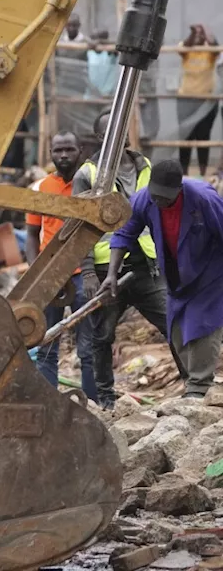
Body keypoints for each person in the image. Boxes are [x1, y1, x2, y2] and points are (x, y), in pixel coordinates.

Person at [102, 159, 223, 398]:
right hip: (176, 273)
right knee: (177, 328)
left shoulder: (203, 198)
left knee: (202, 326)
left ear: (179, 189)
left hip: (210, 272)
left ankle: (199, 387)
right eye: (156, 196)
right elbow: (124, 234)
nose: (160, 202)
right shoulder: (143, 199)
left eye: (166, 198)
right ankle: (192, 382)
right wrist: (111, 274)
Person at [72, 111, 168, 409]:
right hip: (104, 269)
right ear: (101, 138)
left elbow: (159, 214)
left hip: (146, 265)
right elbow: (79, 227)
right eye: (112, 131)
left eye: (122, 130)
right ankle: (106, 400)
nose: (121, 135)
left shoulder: (145, 165)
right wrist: (87, 273)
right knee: (102, 336)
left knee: (173, 322)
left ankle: (194, 388)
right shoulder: (87, 175)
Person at [27, 132, 96, 400]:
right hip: (50, 276)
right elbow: (32, 234)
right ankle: (49, 401)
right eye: (58, 150)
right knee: (45, 344)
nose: (63, 155)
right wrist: (37, 273)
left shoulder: (89, 185)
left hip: (82, 275)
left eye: (69, 149)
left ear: (80, 151)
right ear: (50, 152)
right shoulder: (41, 188)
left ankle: (93, 403)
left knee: (88, 347)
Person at [178, 24, 220, 176]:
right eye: (196, 35)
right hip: (185, 101)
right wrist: (193, 33)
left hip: (206, 102)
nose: (198, 36)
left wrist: (206, 31)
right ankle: (184, 173)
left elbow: (216, 45)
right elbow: (185, 46)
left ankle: (202, 173)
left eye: (200, 36)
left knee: (203, 136)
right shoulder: (187, 49)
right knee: (185, 137)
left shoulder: (210, 53)